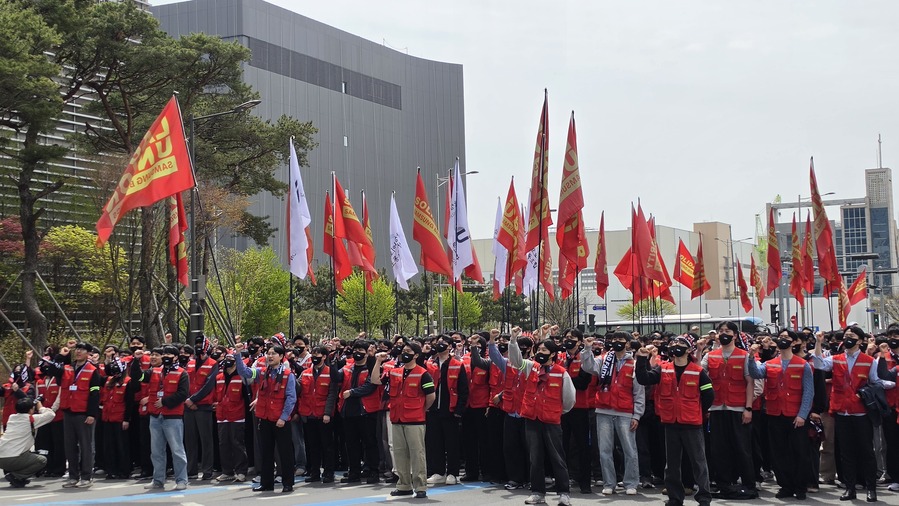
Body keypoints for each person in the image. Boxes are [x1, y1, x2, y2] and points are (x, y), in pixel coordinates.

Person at [812, 325, 889, 502]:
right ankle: (850, 488)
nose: (848, 338)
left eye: (852, 336)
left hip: (861, 412)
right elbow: (818, 364)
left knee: (866, 452)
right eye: (846, 335)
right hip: (841, 412)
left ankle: (871, 488)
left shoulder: (869, 361)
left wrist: (869, 391)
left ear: (860, 341)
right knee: (846, 453)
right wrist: (818, 342)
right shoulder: (836, 358)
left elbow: (876, 382)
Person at [635, 334, 714, 506]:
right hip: (670, 423)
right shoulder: (663, 369)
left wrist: (698, 411)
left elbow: (709, 394)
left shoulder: (698, 371)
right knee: (671, 465)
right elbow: (643, 379)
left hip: (692, 423)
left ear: (689, 350)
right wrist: (641, 359)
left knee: (698, 462)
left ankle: (704, 497)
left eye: (681, 344)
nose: (676, 346)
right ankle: (674, 497)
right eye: (674, 344)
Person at [508, 328, 576, 506]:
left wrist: (556, 411)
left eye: (544, 351)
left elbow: (569, 399)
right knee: (535, 458)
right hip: (532, 419)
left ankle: (563, 494)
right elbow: (515, 362)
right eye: (539, 350)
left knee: (557, 458)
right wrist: (513, 341)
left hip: (551, 421)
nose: (540, 353)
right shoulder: (531, 367)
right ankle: (538, 493)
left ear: (553, 354)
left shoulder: (561, 372)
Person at [747, 330, 814, 500]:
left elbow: (808, 392)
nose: (783, 340)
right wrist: (751, 356)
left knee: (799, 452)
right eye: (781, 337)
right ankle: (786, 485)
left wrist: (802, 415)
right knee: (779, 453)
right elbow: (755, 373)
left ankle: (800, 487)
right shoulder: (770, 364)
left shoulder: (802, 364)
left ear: (794, 343)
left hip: (795, 416)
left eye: (787, 338)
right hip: (775, 413)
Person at [580, 331, 645, 495]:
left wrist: (637, 415)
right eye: (614, 339)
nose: (617, 342)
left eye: (620, 340)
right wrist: (587, 349)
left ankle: (631, 483)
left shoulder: (634, 363)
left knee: (629, 449)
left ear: (628, 344)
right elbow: (588, 367)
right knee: (604, 449)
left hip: (625, 411)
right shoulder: (604, 359)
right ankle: (609, 483)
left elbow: (639, 392)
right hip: (603, 409)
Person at [698, 321, 758, 499]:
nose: (724, 333)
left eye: (728, 331)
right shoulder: (711, 356)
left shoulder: (744, 355)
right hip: (717, 408)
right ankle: (724, 484)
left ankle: (748, 484)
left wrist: (748, 408)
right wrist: (699, 350)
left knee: (742, 448)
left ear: (735, 335)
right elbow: (697, 372)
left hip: (738, 408)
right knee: (719, 449)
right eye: (721, 331)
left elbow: (750, 383)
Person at [372, 341, 435, 499]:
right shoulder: (394, 372)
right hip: (397, 418)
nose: (404, 353)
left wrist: (421, 409)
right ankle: (404, 485)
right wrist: (378, 361)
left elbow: (431, 396)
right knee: (400, 454)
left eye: (408, 351)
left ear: (416, 355)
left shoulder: (423, 373)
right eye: (403, 350)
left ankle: (420, 486)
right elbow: (375, 381)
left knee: (417, 454)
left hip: (415, 419)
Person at [233, 341, 297, 493]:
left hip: (280, 420)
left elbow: (291, 398)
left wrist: (283, 417)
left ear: (281, 356)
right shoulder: (262, 372)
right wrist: (237, 355)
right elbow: (244, 372)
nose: (270, 356)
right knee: (266, 452)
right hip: (265, 418)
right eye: (268, 353)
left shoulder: (288, 375)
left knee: (285, 453)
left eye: (274, 354)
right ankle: (266, 483)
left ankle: (288, 483)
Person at [131, 345, 190, 491]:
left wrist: (164, 402)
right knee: (156, 450)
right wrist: (135, 360)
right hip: (156, 416)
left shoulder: (182, 373)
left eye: (169, 354)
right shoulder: (154, 371)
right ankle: (158, 479)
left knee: (177, 450)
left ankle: (182, 480)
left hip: (173, 416)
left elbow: (183, 394)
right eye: (164, 354)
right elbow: (139, 377)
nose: (166, 357)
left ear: (176, 357)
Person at [49, 342, 103, 489]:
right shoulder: (67, 368)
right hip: (68, 412)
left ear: (88, 353)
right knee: (70, 446)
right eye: (77, 349)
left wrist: (92, 413)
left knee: (86, 446)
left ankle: (86, 476)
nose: (78, 352)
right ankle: (73, 476)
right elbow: (52, 369)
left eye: (82, 350)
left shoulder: (93, 370)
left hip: (83, 413)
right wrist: (61, 355)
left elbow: (95, 394)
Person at [335, 340, 382, 484]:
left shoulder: (372, 367)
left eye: (361, 349)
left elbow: (371, 386)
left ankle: (373, 470)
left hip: (366, 411)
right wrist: (333, 361)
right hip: (348, 411)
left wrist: (353, 392)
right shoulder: (348, 367)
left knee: (370, 443)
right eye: (355, 349)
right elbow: (336, 377)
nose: (357, 352)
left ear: (367, 352)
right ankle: (354, 472)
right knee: (351, 444)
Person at [424, 333, 468, 486]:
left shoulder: (457, 364)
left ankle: (452, 473)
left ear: (450, 346)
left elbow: (463, 390)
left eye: (444, 342)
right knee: (435, 442)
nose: (440, 344)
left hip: (450, 410)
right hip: (433, 409)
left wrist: (459, 410)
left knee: (452, 443)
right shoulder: (430, 363)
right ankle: (438, 472)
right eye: (439, 342)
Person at [298, 345, 338, 483]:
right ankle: (314, 472)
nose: (315, 357)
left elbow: (332, 394)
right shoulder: (306, 372)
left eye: (318, 354)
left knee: (327, 445)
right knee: (312, 445)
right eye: (313, 354)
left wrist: (327, 413)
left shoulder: (330, 372)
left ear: (324, 357)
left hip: (323, 414)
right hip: (309, 413)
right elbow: (299, 388)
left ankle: (329, 472)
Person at [0, 397, 58, 487]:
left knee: (28, 454)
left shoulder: (11, 418)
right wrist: (40, 406)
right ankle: (16, 476)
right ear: (31, 409)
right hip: (13, 459)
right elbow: (51, 415)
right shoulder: (31, 419)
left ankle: (16, 476)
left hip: (1, 458)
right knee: (42, 460)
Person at [183, 337, 219, 481]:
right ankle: (191, 470)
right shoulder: (190, 363)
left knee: (206, 440)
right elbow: (185, 382)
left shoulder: (213, 363)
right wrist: (188, 400)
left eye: (200, 344)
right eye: (196, 344)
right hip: (189, 406)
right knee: (189, 439)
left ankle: (207, 470)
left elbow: (209, 385)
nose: (198, 347)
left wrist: (193, 399)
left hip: (203, 406)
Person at [212, 352, 250, 483]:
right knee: (223, 444)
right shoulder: (218, 377)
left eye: (231, 359)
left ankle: (241, 471)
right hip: (222, 415)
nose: (228, 360)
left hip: (237, 415)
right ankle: (227, 471)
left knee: (237, 444)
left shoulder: (241, 377)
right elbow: (215, 395)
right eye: (226, 358)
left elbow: (246, 398)